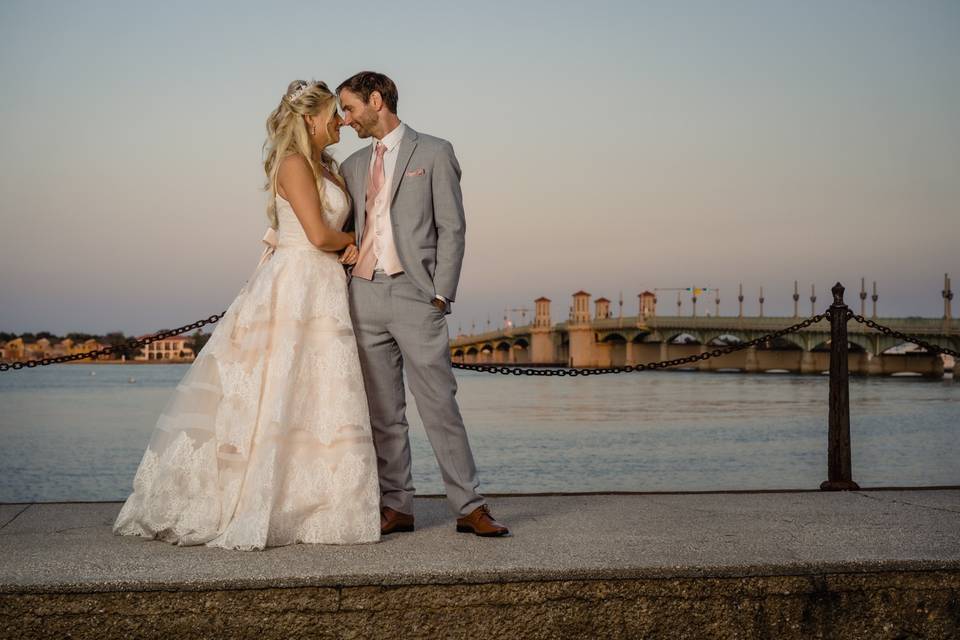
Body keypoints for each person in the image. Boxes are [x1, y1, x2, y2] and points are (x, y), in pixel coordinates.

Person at [112, 80, 380, 551]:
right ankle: (259, 498)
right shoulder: (295, 165)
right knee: (276, 388)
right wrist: (354, 244)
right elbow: (318, 234)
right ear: (312, 120)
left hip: (322, 288)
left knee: (317, 391)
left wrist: (349, 242)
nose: (340, 121)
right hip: (297, 282)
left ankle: (314, 500)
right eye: (333, 115)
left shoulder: (324, 167)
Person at [337, 71, 509, 537]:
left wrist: (441, 292)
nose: (345, 119)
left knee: (439, 404)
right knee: (383, 412)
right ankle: (398, 507)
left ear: (377, 100)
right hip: (363, 295)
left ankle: (470, 506)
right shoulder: (351, 165)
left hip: (416, 295)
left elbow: (453, 226)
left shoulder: (434, 152)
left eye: (350, 108)